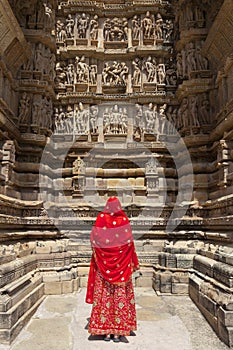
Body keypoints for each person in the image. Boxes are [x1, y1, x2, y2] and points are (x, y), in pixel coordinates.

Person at [86, 196, 140, 342]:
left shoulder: (101, 218)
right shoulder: (124, 220)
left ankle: (106, 332)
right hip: (121, 268)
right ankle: (117, 332)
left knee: (104, 296)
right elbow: (129, 243)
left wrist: (103, 253)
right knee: (119, 296)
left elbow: (94, 239)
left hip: (103, 268)